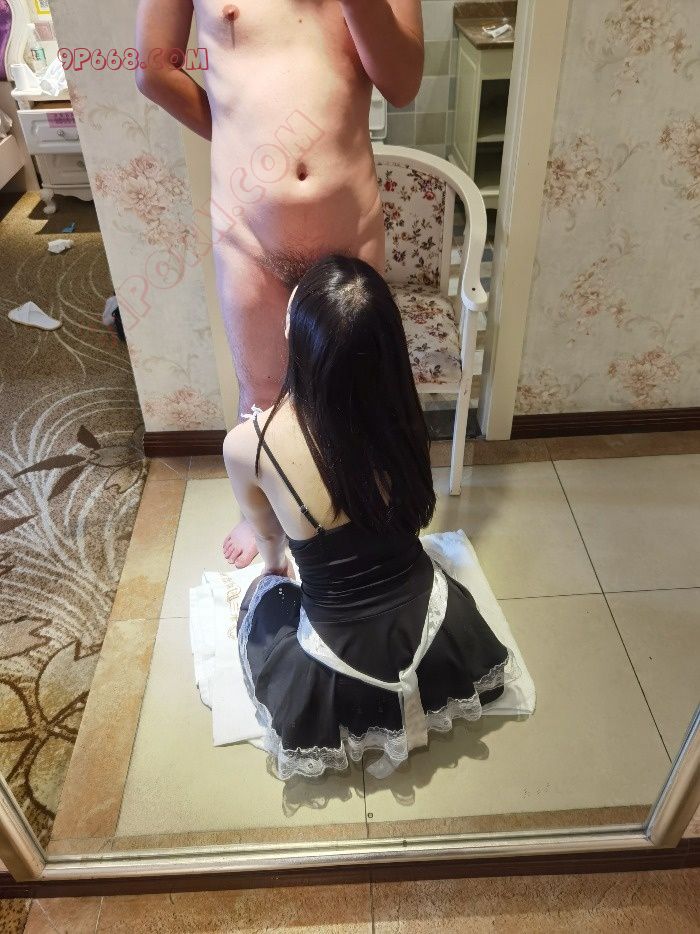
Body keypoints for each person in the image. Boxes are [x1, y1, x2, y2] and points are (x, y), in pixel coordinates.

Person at [135, 0, 424, 568]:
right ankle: (260, 516)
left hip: (351, 223)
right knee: (262, 399)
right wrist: (248, 141)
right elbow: (152, 69)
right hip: (250, 232)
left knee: (356, 394)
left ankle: (355, 510)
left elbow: (402, 84)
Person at [222, 256, 515, 779]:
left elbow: (269, 540)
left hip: (332, 655)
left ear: (296, 337)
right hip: (434, 628)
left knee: (266, 599)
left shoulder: (249, 445)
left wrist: (273, 570)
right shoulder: (403, 416)